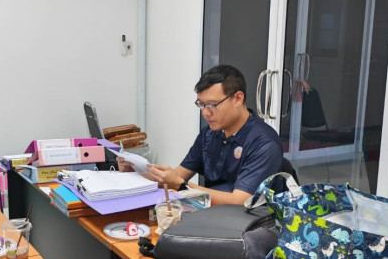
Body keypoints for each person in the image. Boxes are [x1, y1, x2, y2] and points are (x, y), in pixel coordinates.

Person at [120, 64, 282, 205]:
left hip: (249, 222)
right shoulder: (210, 133)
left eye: (212, 105)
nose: (205, 113)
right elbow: (177, 175)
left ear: (238, 98)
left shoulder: (264, 143)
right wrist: (136, 172)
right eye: (201, 104)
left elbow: (239, 201)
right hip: (210, 211)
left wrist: (181, 186)